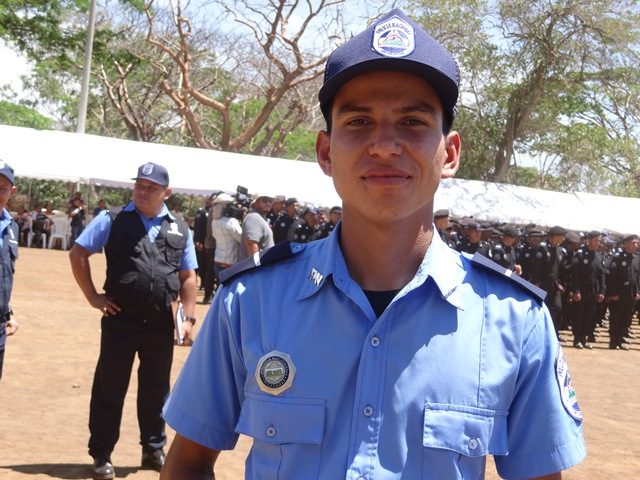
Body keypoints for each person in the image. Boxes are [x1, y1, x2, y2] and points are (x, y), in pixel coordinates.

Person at [161, 9, 585, 480]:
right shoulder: (250, 301)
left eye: (412, 122)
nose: (384, 145)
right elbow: (188, 463)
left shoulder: (513, 320)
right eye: (360, 121)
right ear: (326, 152)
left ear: (449, 154)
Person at [68, 162, 198, 480]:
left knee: (156, 389)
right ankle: (102, 453)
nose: (143, 191)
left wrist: (188, 318)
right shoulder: (112, 219)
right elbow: (78, 252)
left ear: (166, 193)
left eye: (151, 188)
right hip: (120, 319)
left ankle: (153, 449)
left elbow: (188, 276)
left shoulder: (180, 228)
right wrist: (93, 297)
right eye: (139, 185)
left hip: (160, 323)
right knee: (110, 387)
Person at [0, 160, 20, 379]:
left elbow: (5, 275)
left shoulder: (12, 227)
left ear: (12, 192)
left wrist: (8, 313)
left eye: (2, 188)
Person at [210, 193, 243, 279]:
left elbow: (214, 235)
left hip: (218, 260)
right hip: (229, 263)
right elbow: (241, 238)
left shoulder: (214, 222)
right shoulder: (231, 222)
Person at [241, 193, 274, 258]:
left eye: (270, 201)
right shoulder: (253, 217)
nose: (268, 203)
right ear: (255, 203)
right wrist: (256, 264)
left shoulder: (260, 218)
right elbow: (252, 244)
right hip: (258, 263)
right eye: (264, 200)